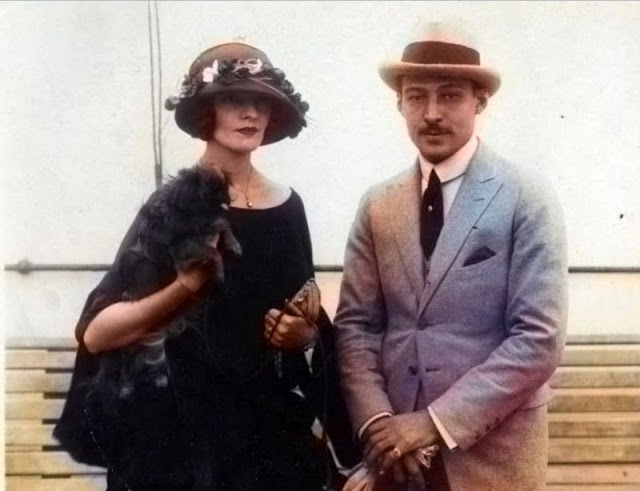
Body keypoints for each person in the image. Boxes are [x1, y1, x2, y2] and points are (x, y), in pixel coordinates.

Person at [54, 40, 358, 490]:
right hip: (181, 446)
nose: (250, 113)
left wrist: (306, 336)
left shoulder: (289, 208)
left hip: (267, 442)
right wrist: (184, 288)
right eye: (234, 100)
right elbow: (98, 334)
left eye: (261, 102)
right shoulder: (174, 206)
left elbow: (308, 311)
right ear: (206, 112)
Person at [336, 22, 568, 491]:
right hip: (394, 462)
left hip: (492, 462)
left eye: (450, 96)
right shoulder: (377, 205)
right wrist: (379, 425)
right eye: (416, 97)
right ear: (399, 103)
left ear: (480, 101)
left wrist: (432, 423)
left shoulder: (526, 196)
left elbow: (539, 338)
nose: (432, 114)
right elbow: (356, 327)